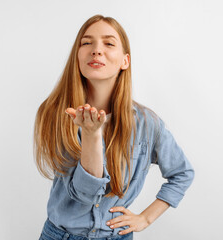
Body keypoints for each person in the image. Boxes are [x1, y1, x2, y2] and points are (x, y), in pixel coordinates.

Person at [34, 14, 194, 240]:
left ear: (125, 61)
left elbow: (182, 173)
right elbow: (85, 194)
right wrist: (91, 135)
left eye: (108, 43)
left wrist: (146, 218)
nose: (96, 50)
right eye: (87, 42)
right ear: (77, 57)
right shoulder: (54, 113)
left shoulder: (147, 123)